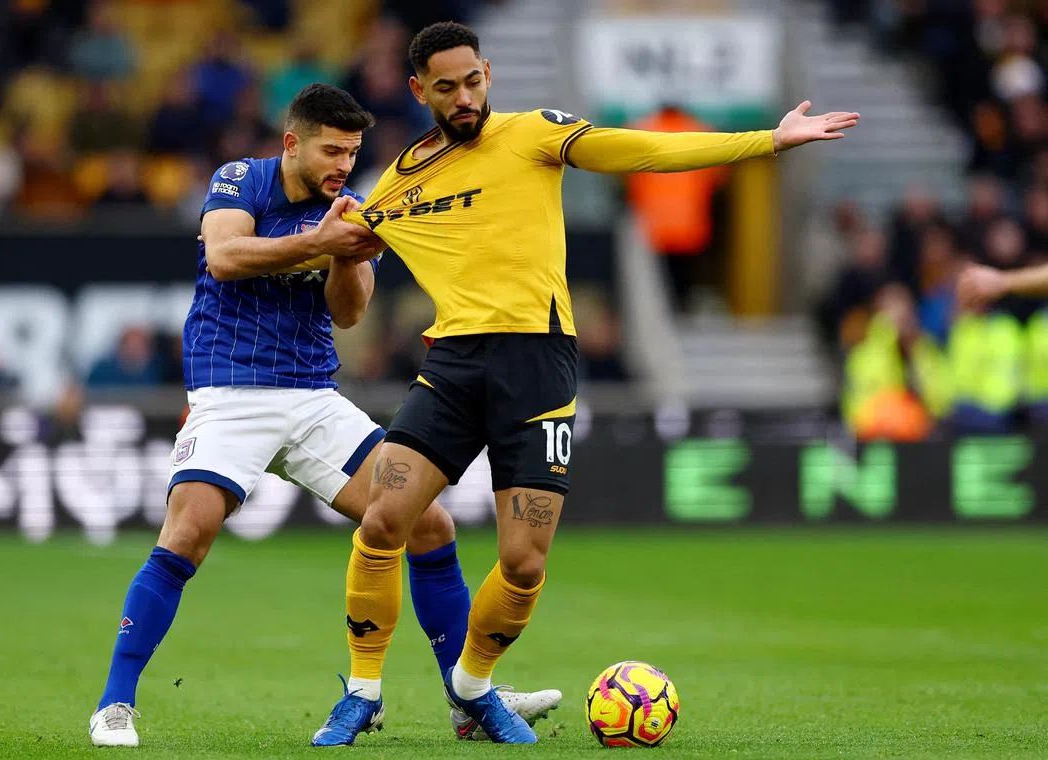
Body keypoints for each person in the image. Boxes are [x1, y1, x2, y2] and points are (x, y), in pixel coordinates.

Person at [311, 21, 860, 746]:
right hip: (452, 366)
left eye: (474, 79)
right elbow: (347, 288)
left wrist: (765, 139)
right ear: (420, 91)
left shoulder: (534, 133)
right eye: (447, 87)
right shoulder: (398, 185)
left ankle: (474, 689)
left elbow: (642, 150)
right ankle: (361, 692)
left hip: (538, 366)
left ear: (488, 73)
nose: (466, 96)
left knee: (524, 561)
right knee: (385, 518)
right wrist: (335, 249)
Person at [88, 83, 559, 748]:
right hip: (231, 392)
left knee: (425, 521)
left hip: (311, 396)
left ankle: (466, 698)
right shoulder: (240, 180)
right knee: (188, 531)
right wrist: (320, 239)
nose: (343, 163)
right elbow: (224, 258)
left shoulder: (353, 209)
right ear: (292, 143)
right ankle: (115, 705)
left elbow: (348, 312)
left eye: (353, 151)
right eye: (332, 150)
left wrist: (346, 249)